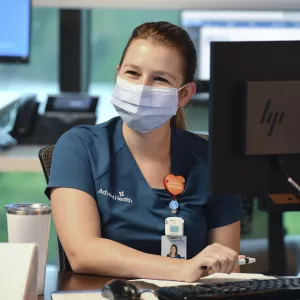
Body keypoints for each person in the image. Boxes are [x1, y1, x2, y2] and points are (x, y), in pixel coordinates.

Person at [46, 21, 243, 282]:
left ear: (184, 95)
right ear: (118, 74)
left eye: (160, 78)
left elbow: (228, 268)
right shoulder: (79, 146)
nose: (142, 87)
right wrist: (180, 269)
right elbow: (82, 252)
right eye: (132, 73)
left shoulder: (211, 160)